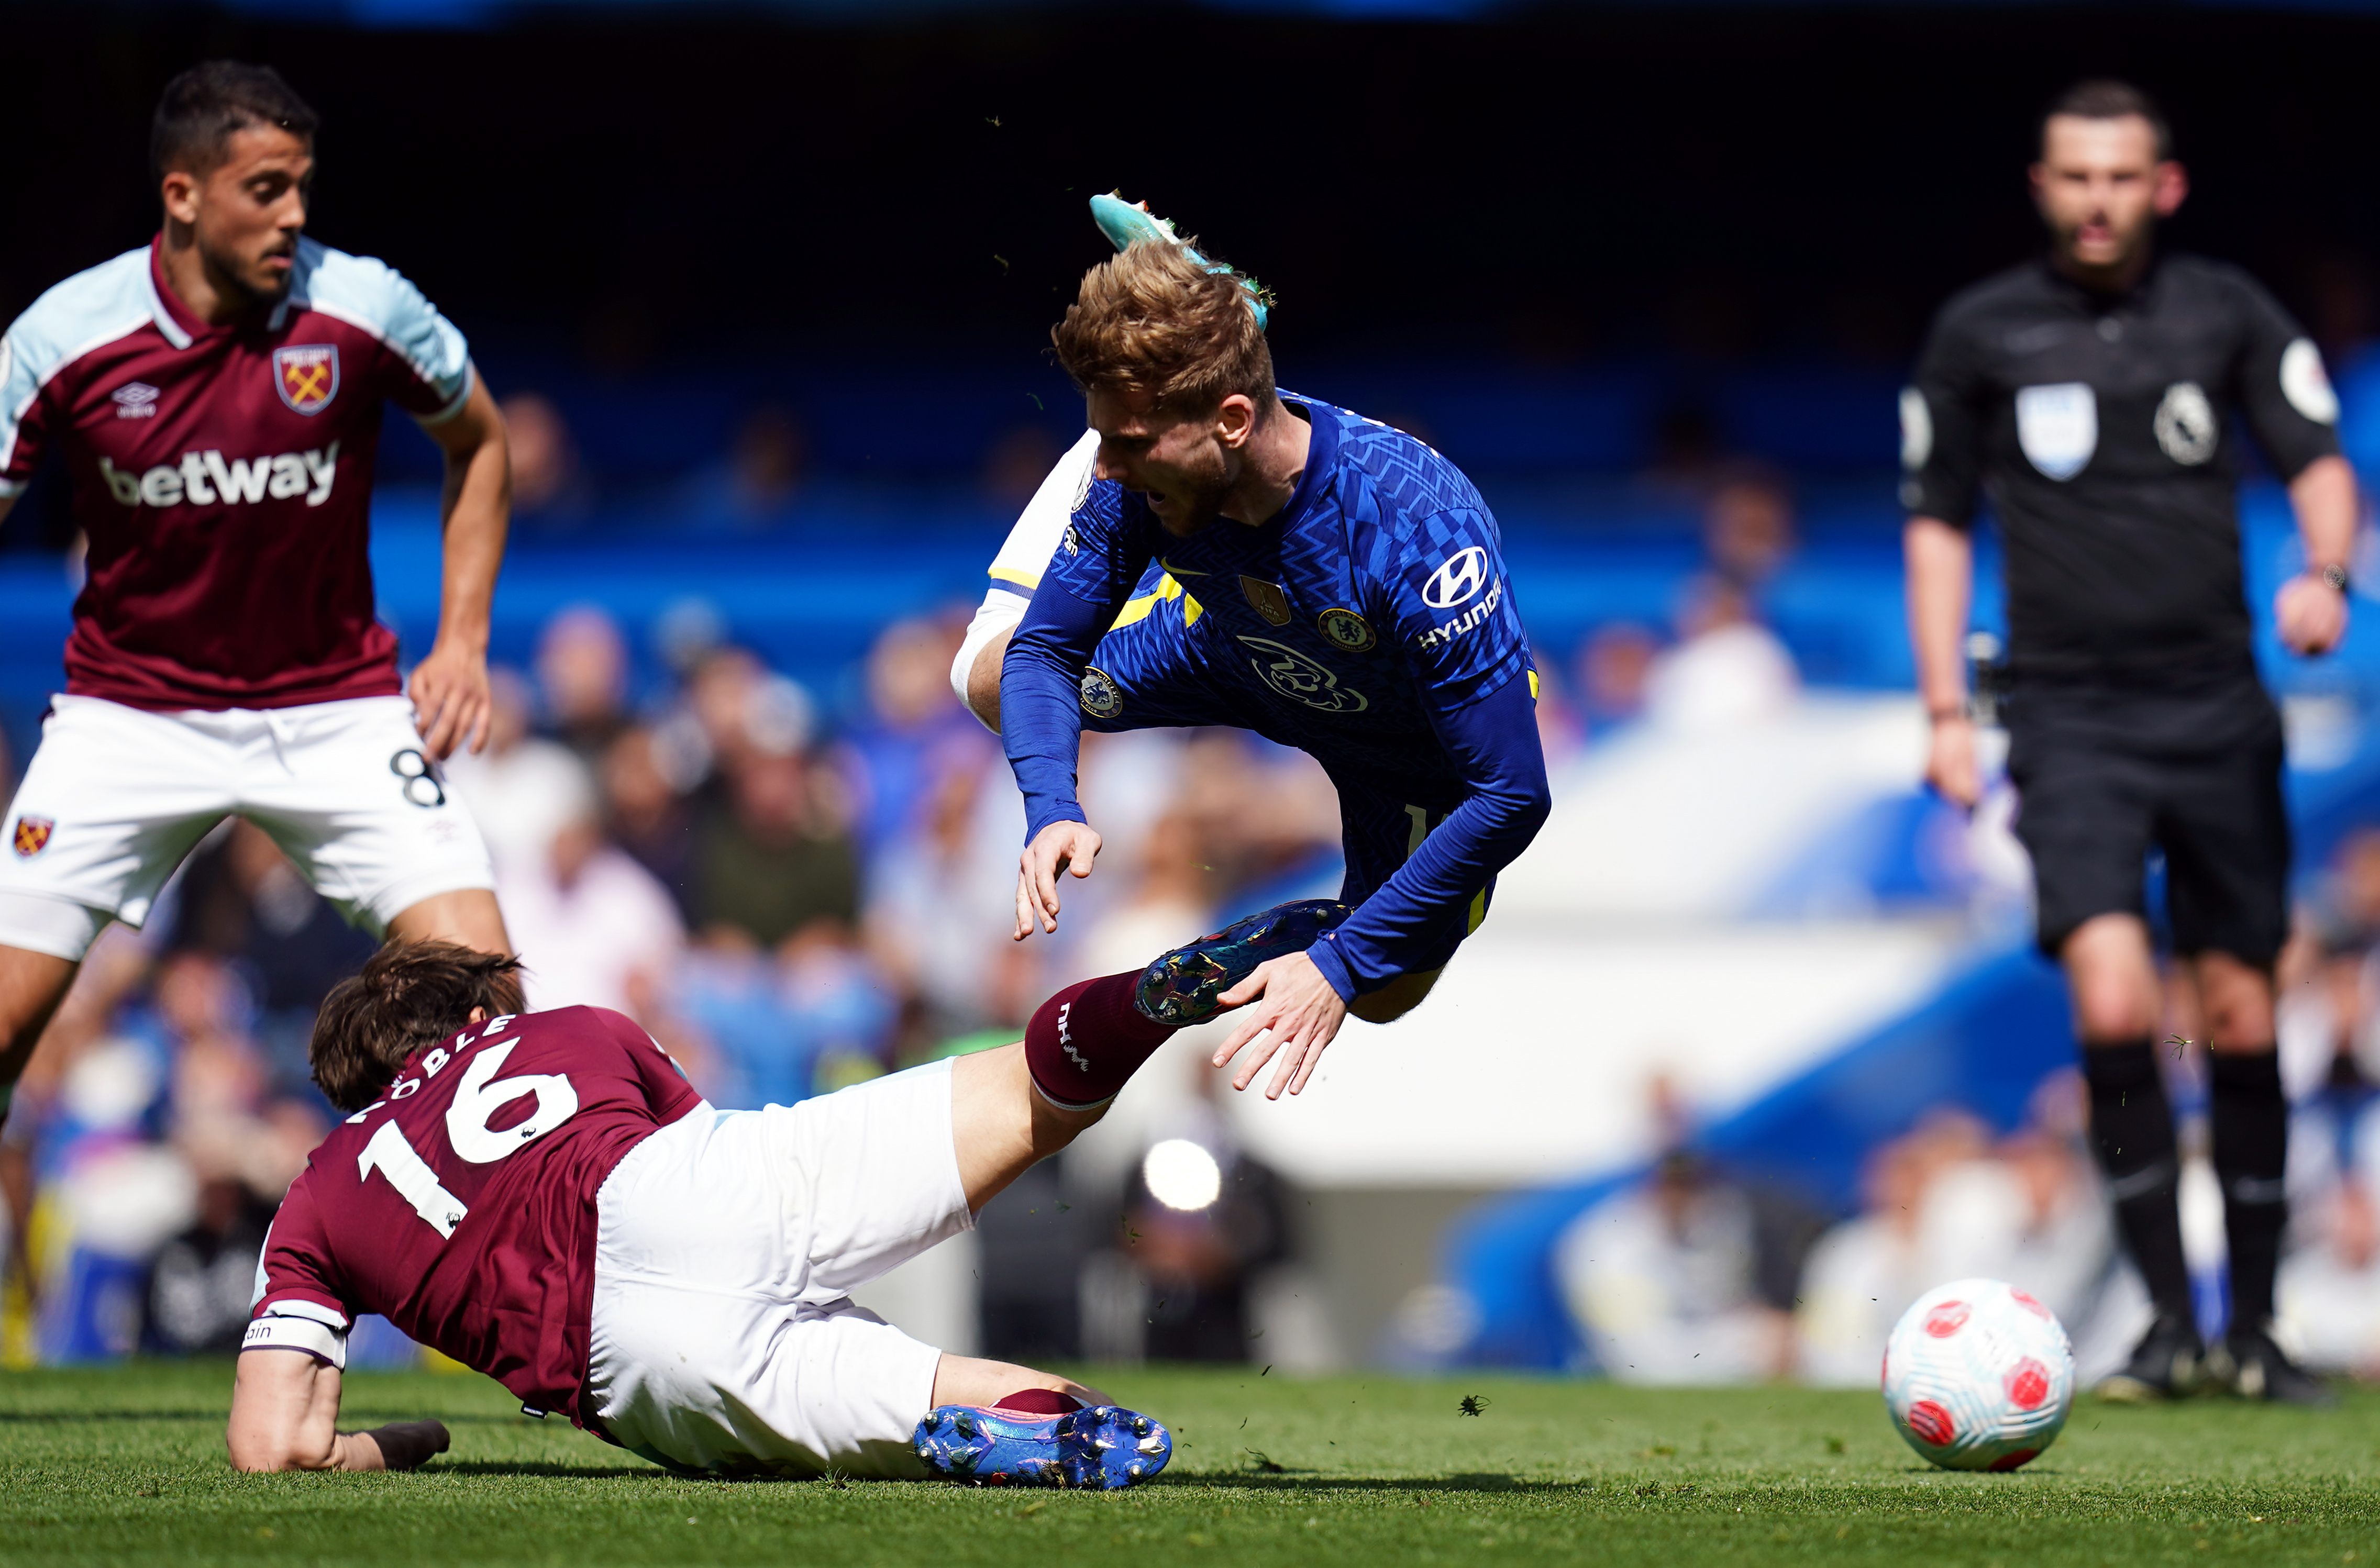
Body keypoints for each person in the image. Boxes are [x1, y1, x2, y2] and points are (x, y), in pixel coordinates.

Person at [1902, 80, 2354, 1405]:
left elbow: (2317, 456)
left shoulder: (2226, 312)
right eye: (2072, 176)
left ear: (2162, 187)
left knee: (2236, 1007)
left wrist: (2323, 567)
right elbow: (1933, 524)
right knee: (2110, 996)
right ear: (2040, 186)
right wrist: (1943, 712)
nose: (2095, 198)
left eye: (2120, 177)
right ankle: (2166, 1322)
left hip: (2214, 707)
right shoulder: (1979, 333)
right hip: (2065, 711)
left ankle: (2255, 1329)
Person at [229, 935, 1245, 1485]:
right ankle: (1136, 1007)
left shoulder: (317, 1194)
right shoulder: (572, 1028)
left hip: (629, 1367)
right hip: (690, 1188)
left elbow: (274, 1448)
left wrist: (410, 1439)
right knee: (1015, 1095)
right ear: (476, 1018)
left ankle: (1006, 1420)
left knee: (1007, 1408)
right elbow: (699, 1137)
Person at [0, 62, 512, 1131]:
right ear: (181, 195)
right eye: (266, 190)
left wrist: (462, 643)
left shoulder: (361, 306)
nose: (295, 216)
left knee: (495, 1006)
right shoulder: (63, 337)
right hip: (129, 715)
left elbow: (482, 441)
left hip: (333, 708)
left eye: (303, 187)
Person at [953, 199, 1551, 1101]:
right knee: (985, 677)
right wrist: (1051, 804)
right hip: (1226, 648)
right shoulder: (1143, 483)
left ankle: (1210, 305)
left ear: (1232, 420)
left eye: (1124, 441)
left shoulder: (1417, 532)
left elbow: (1512, 793)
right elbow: (1043, 657)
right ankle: (1204, 307)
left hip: (1403, 749)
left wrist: (1340, 966)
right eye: (1104, 439)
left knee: (1389, 994)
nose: (1102, 471)